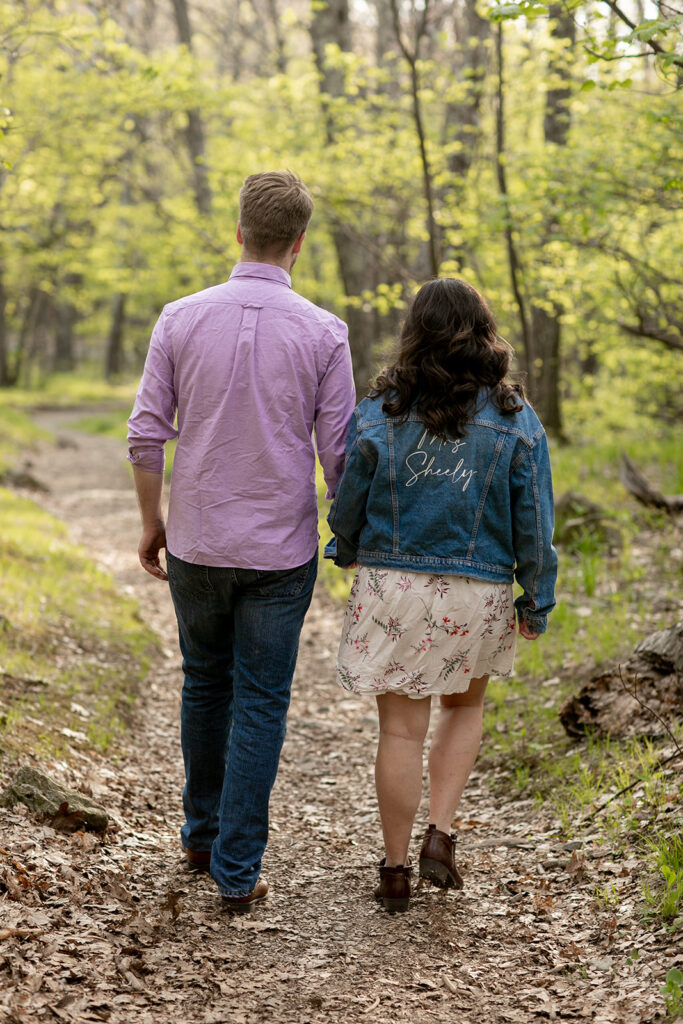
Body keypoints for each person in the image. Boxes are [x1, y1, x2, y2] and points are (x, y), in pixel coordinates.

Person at [127, 171, 355, 913]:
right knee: (259, 699)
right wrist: (348, 535)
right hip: (280, 551)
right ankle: (234, 868)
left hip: (195, 536)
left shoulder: (178, 318)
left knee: (204, 681)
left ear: (238, 234)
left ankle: (200, 834)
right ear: (298, 243)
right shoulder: (324, 332)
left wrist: (151, 521)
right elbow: (341, 457)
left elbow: (144, 435)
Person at [325, 278, 557, 913]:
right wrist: (536, 595)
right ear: (484, 335)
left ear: (414, 333)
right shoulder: (515, 416)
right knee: (463, 709)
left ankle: (394, 870)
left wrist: (343, 547)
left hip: (392, 585)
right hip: (476, 590)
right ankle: (441, 834)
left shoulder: (382, 408)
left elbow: (349, 496)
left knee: (400, 732)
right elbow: (534, 518)